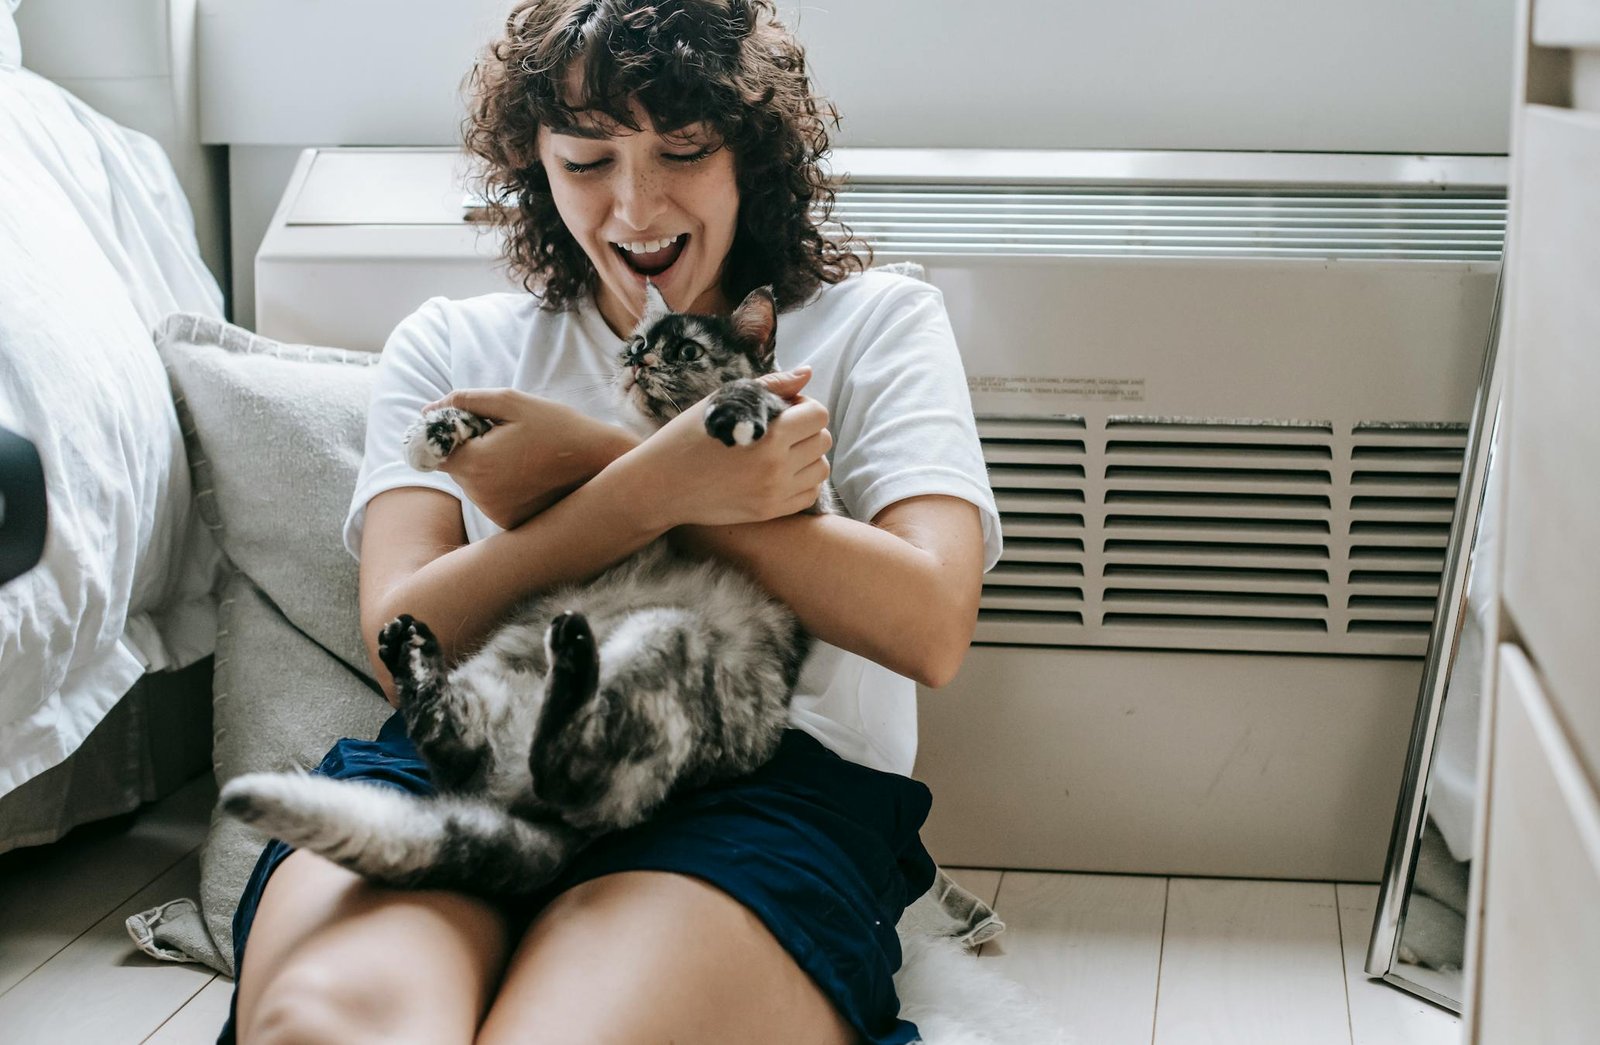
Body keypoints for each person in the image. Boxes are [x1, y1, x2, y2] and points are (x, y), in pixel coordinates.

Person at [221, 1, 1001, 1042]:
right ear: (534, 164)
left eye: (681, 150)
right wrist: (644, 491)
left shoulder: (873, 323)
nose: (635, 205)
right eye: (586, 161)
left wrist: (606, 469)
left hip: (758, 787)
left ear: (751, 154)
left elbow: (930, 623)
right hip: (473, 753)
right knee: (326, 1030)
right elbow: (400, 642)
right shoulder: (450, 344)